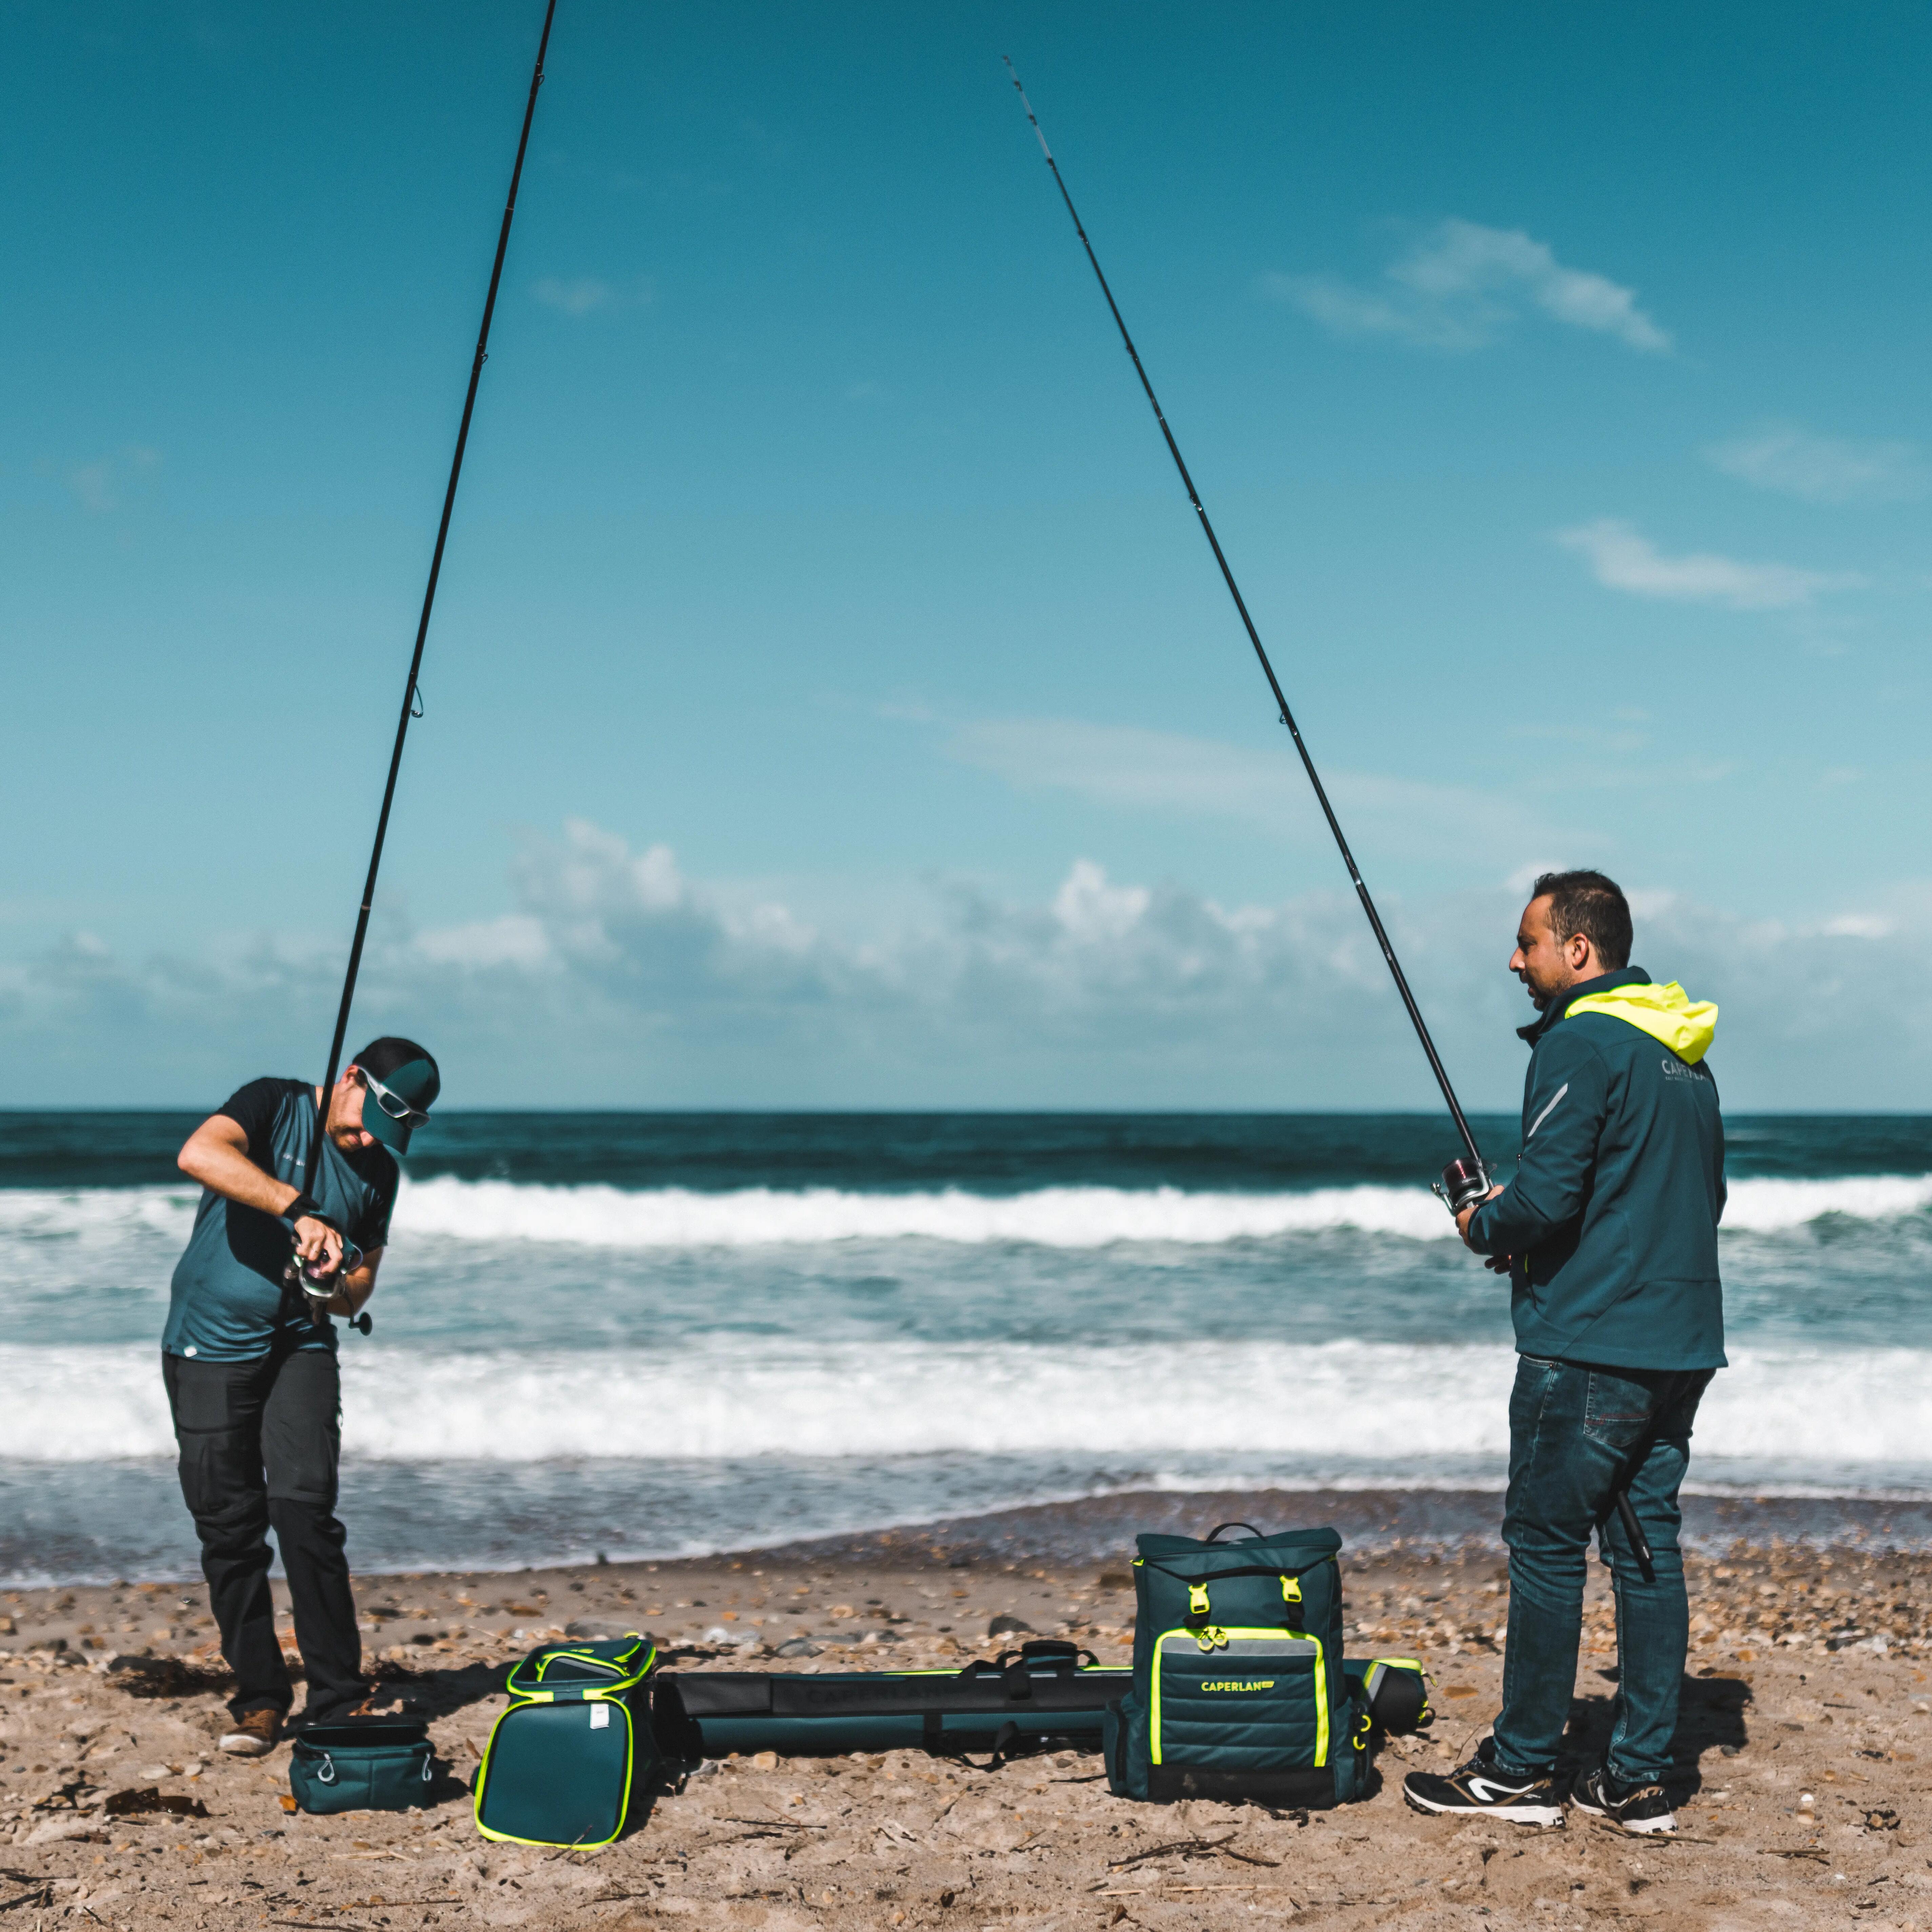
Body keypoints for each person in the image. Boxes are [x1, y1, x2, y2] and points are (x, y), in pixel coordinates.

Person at [1403, 872, 1723, 1835]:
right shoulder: (1684, 1056)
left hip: (1586, 1345)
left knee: (1545, 1547)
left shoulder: (1579, 1041)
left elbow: (1540, 1204)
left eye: (1528, 942)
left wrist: (1476, 1216)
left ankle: (1520, 1768)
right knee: (1643, 1549)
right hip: (1679, 1343)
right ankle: (1634, 1779)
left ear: (1577, 950)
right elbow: (1681, 1198)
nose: (1516, 960)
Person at [164, 1038, 440, 1757]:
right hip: (208, 1345)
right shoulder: (274, 1104)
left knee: (306, 1512)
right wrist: (299, 1210)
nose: (364, 1141)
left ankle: (337, 1699)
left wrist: (334, 1272)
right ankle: (259, 1698)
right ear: (352, 1078)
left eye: (385, 1136)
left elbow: (358, 1293)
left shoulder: (379, 1171)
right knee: (230, 1529)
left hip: (303, 1343)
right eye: (361, 1122)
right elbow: (198, 1154)